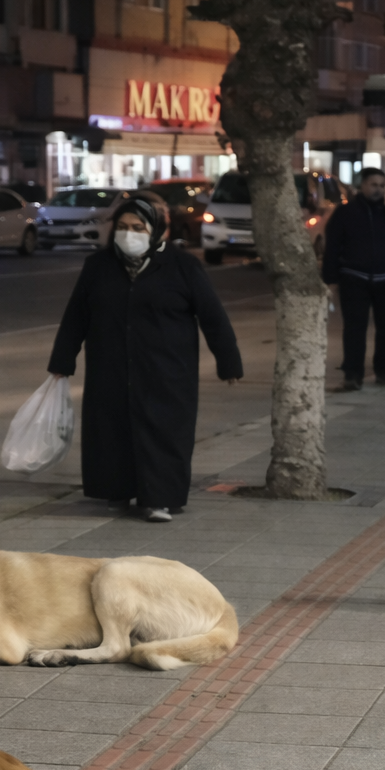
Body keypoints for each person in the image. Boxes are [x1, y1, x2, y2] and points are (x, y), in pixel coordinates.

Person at [48, 193, 243, 523]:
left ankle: (159, 499)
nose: (129, 233)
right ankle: (118, 491)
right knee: (113, 432)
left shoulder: (183, 266)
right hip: (110, 367)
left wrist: (229, 362)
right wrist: (62, 362)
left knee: (163, 434)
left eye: (138, 227)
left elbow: (213, 317)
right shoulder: (99, 266)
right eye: (123, 226)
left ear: (157, 230)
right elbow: (76, 317)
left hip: (167, 371)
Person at [321, 168, 385, 390]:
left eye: (381, 185)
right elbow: (332, 247)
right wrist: (329, 279)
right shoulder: (346, 213)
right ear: (362, 186)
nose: (377, 189)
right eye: (373, 184)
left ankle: (383, 372)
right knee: (354, 329)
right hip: (355, 279)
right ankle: (352, 375)